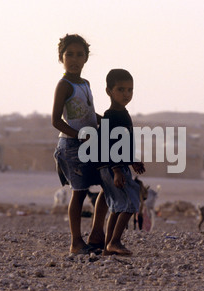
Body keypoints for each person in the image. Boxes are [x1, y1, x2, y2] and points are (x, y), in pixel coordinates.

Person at [52, 34, 107, 255]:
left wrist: (107, 119)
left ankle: (96, 234)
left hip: (90, 144)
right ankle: (76, 242)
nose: (74, 59)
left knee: (107, 184)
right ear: (61, 58)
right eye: (69, 55)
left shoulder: (85, 84)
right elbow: (56, 121)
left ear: (86, 58)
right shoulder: (63, 85)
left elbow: (87, 112)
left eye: (79, 55)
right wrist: (78, 135)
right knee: (80, 192)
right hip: (71, 146)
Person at [97, 69, 146, 256]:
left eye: (130, 90)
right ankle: (115, 241)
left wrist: (132, 160)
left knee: (118, 206)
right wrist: (117, 169)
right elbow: (106, 144)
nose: (126, 94)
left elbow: (123, 143)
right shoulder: (111, 115)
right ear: (109, 91)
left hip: (116, 165)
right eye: (121, 89)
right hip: (112, 166)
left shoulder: (122, 113)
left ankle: (108, 246)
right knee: (132, 200)